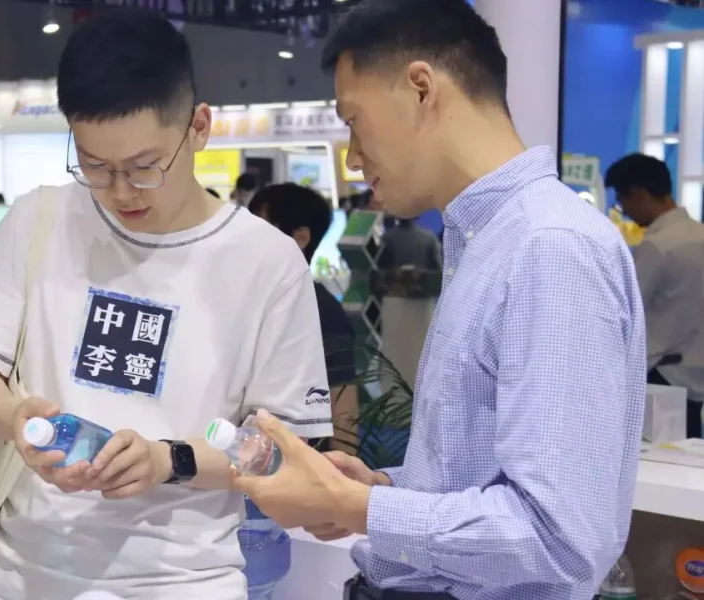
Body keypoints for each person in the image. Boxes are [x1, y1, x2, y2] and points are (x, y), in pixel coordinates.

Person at [231, 2, 646, 600]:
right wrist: (380, 491)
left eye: (354, 121)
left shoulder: (550, 246)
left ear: (421, 89)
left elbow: (557, 537)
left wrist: (359, 507)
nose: (352, 156)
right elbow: (480, 476)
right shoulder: (487, 239)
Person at [0, 8, 333, 600]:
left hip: (184, 581)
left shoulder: (267, 261)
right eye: (95, 166)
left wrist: (168, 460)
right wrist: (17, 421)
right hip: (20, 576)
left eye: (145, 167)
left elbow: (281, 452)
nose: (121, 192)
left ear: (198, 127)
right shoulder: (39, 219)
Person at [249, 183, 359, 448]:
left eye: (260, 228)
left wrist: (340, 466)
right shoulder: (248, 299)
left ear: (300, 238)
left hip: (296, 460)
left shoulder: (323, 309)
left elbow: (343, 406)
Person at [605, 153, 704, 439]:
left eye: (622, 201)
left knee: (652, 459)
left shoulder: (657, 246)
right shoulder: (699, 234)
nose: (625, 212)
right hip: (694, 378)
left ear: (639, 193)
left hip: (660, 379)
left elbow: (625, 312)